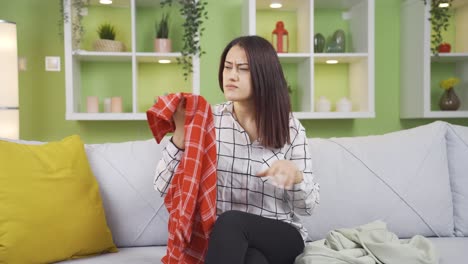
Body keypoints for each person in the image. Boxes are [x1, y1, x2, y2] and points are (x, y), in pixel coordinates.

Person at [154, 35, 320, 264]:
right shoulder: (207, 121)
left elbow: (308, 207)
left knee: (232, 221)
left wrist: (296, 177)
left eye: (242, 69)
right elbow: (163, 187)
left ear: (264, 75)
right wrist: (181, 132)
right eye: (227, 67)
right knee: (252, 259)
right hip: (227, 241)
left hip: (281, 235)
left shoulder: (291, 128)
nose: (231, 75)